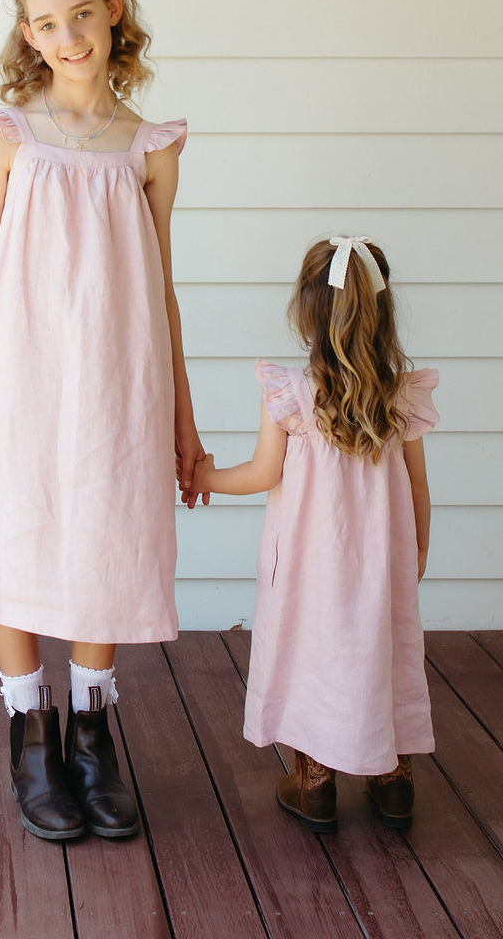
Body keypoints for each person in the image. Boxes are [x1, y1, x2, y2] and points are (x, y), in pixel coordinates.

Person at [0, 0, 206, 842]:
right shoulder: (6, 135)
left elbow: (162, 287)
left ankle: (93, 735)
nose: (70, 36)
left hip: (119, 377)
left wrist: (182, 410)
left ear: (114, 10)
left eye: (84, 15)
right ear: (30, 36)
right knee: (24, 537)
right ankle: (32, 737)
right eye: (49, 23)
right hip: (23, 373)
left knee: (105, 534)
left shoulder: (150, 147)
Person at [187, 235, 437, 831]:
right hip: (382, 566)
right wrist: (418, 549)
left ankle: (316, 783)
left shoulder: (295, 395)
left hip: (308, 567)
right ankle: (392, 780)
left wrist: (201, 476)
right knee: (384, 649)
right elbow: (418, 485)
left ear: (308, 312)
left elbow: (260, 474)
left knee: (314, 656)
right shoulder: (399, 395)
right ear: (383, 313)